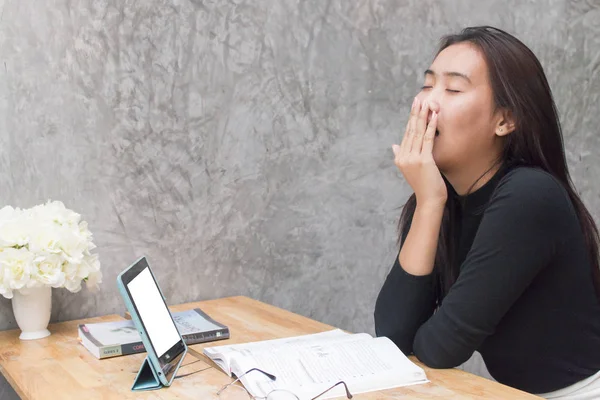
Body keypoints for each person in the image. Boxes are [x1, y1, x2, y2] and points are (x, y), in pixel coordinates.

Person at [374, 26, 600, 399]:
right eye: (427, 86)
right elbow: (395, 336)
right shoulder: (438, 196)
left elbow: (440, 349)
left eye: (453, 89)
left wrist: (431, 200)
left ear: (505, 120)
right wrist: (429, 203)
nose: (428, 104)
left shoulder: (529, 196)